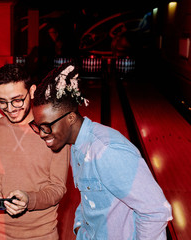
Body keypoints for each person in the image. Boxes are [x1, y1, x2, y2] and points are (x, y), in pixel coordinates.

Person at [30, 62, 173, 239]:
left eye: (46, 127)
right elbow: (90, 199)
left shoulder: (107, 151)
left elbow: (155, 211)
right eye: (38, 127)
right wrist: (79, 228)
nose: (42, 134)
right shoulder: (77, 146)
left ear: (71, 118)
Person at [0, 63, 70, 240]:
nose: (11, 109)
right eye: (2, 102)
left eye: (17, 100)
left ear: (32, 91)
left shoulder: (56, 131)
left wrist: (30, 200)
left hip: (40, 234)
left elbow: (58, 188)